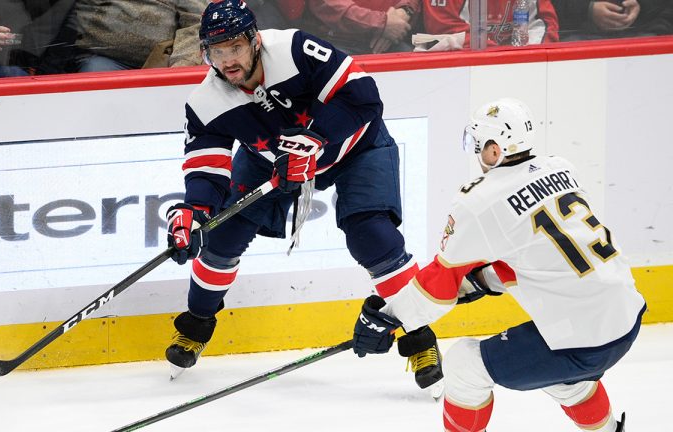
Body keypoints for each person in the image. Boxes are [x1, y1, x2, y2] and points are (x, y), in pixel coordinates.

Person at [164, 0, 442, 391]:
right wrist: (193, 211)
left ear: (255, 40)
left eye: (235, 48)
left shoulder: (295, 49)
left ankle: (420, 340)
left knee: (373, 237)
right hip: (270, 163)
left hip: (354, 148)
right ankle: (195, 326)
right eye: (217, 51)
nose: (227, 61)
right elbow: (207, 171)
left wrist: (315, 137)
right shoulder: (205, 103)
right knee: (219, 237)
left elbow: (363, 96)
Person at [352, 98, 646, 431]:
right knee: (562, 377)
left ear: (495, 150)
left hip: (584, 339)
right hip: (626, 316)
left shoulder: (479, 200)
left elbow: (437, 287)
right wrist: (485, 280)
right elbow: (545, 252)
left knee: (465, 364)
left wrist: (388, 318)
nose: (476, 154)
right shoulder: (561, 167)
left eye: (478, 145)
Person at [56, 0, 207, 72]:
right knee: (96, 74)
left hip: (169, 60)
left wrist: (182, 65)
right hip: (105, 59)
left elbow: (197, 21)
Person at [415, 0, 559, 51]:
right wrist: (501, 56)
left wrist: (521, 57)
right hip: (460, 71)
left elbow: (544, 28)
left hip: (515, 68)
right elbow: (445, 31)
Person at [302, 0, 420, 54]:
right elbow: (328, 5)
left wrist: (405, 10)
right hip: (339, 41)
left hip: (389, 42)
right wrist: (383, 24)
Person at [552, 0, 673, 41]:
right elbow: (541, 7)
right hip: (575, 37)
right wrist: (587, 10)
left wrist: (641, 6)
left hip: (644, 35)